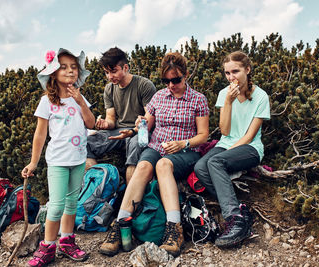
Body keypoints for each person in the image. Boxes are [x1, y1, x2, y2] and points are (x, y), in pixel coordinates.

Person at [99, 52, 209, 257]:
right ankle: (121, 224)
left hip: (185, 151)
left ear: (185, 75)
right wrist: (135, 129)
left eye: (175, 80)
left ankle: (173, 229)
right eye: (166, 81)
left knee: (163, 166)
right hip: (156, 146)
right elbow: (147, 124)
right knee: (142, 167)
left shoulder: (198, 100)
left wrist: (182, 143)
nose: (171, 85)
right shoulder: (159, 97)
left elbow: (203, 135)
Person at [22, 48, 94, 266]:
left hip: (78, 159)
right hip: (58, 162)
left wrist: (81, 102)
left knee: (72, 203)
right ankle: (48, 246)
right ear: (53, 73)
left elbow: (90, 123)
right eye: (64, 67)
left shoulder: (80, 99)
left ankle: (67, 241)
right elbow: (40, 134)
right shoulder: (47, 101)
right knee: (56, 205)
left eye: (74, 67)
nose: (70, 71)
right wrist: (33, 162)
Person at [194, 51, 271, 248]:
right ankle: (238, 207)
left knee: (215, 161)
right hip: (226, 144)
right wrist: (228, 101)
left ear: (247, 69)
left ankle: (234, 218)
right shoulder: (224, 94)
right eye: (227, 73)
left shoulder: (261, 96)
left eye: (235, 71)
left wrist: (225, 153)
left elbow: (249, 136)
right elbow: (225, 131)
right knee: (200, 167)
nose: (231, 77)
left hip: (250, 148)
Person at [86, 47, 156, 183]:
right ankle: (98, 187)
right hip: (118, 131)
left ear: (125, 67)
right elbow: (111, 119)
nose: (110, 77)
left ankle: (130, 200)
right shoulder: (109, 89)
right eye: (106, 72)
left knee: (135, 147)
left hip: (138, 132)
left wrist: (132, 131)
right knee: (84, 143)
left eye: (113, 71)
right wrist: (105, 124)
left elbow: (149, 120)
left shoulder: (144, 85)